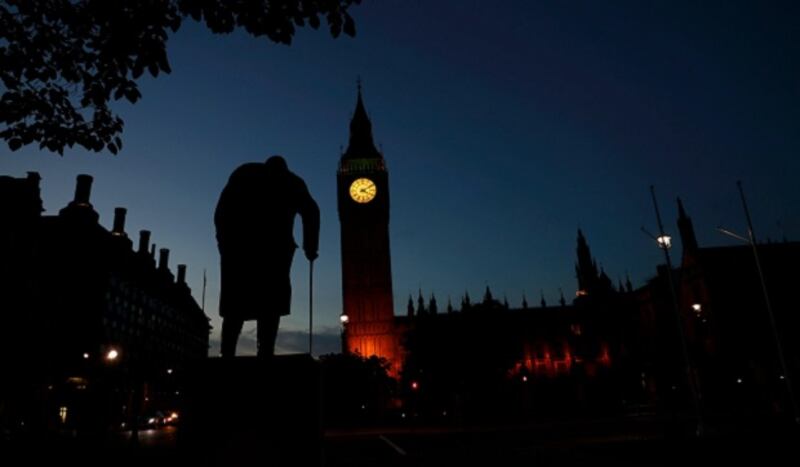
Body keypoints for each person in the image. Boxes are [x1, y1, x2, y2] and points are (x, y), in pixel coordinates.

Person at [215, 155, 319, 357]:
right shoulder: (291, 182)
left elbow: (221, 211)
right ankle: (260, 352)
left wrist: (224, 242)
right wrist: (310, 247)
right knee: (266, 303)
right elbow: (311, 211)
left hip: (242, 250)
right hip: (261, 251)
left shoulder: (244, 173)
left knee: (241, 303)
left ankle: (230, 353)